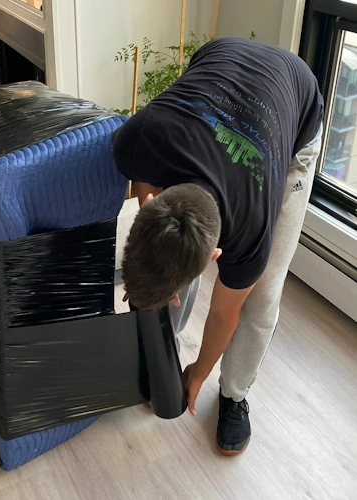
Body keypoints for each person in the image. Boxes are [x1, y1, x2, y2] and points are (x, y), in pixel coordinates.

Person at [112, 37, 324, 455]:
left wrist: (199, 372)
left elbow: (226, 313)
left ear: (215, 256)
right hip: (223, 60)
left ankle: (235, 394)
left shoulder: (251, 228)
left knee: (262, 292)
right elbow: (145, 184)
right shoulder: (138, 138)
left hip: (295, 109)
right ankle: (161, 356)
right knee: (168, 262)